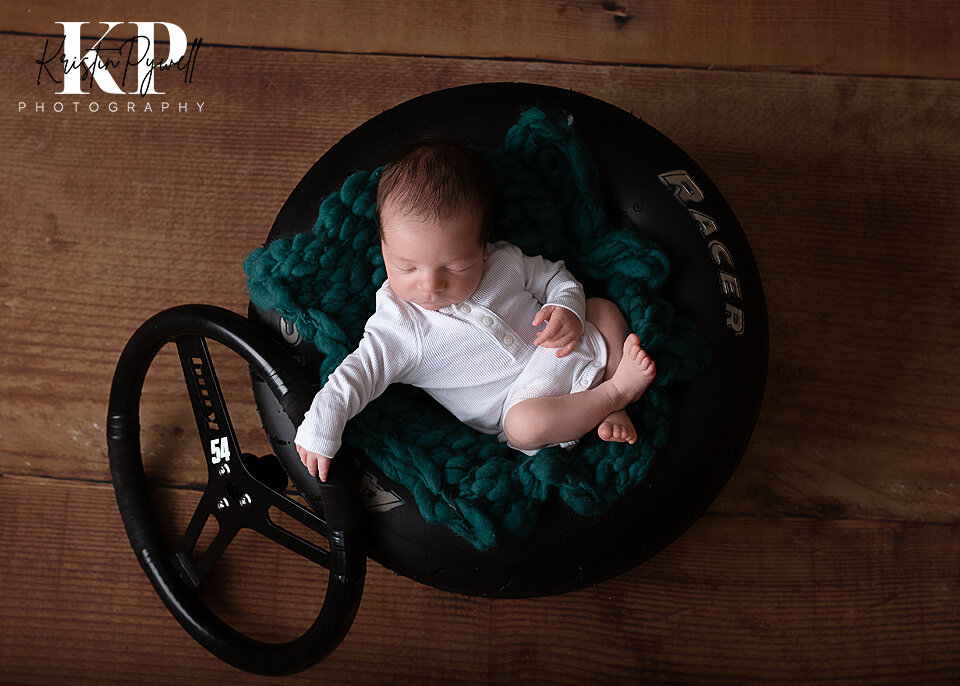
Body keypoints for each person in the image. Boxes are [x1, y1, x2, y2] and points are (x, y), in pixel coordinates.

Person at [296, 140, 656, 482]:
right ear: (384, 249)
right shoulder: (397, 329)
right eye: (407, 268)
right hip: (531, 403)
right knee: (523, 427)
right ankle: (616, 393)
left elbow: (556, 278)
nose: (430, 284)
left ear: (483, 250)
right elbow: (354, 377)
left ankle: (607, 395)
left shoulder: (504, 263)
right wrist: (321, 427)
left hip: (572, 347)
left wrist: (569, 309)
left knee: (602, 308)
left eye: (454, 267)